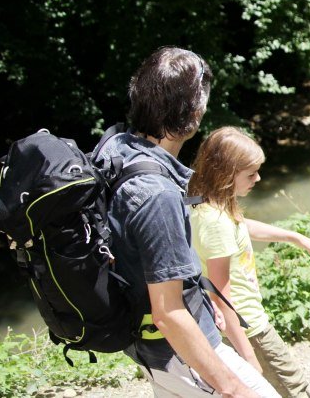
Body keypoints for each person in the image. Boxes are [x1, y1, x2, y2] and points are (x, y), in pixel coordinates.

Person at [94, 47, 277, 397]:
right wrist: (233, 388)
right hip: (178, 351)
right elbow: (168, 313)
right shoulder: (156, 193)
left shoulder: (117, 148)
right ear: (194, 112)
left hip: (148, 346)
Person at [188, 127, 310, 397]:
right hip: (247, 326)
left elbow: (241, 227)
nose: (258, 178)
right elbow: (222, 298)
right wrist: (249, 355)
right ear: (226, 174)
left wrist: (295, 237)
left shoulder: (206, 204)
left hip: (239, 325)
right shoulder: (215, 222)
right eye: (250, 173)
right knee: (293, 388)